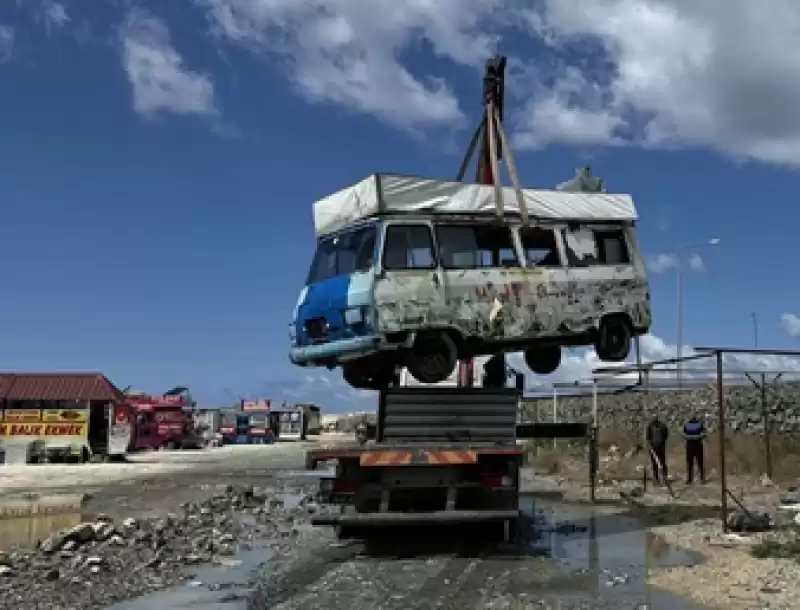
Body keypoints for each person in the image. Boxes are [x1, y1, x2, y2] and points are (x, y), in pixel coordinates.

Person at [683, 412, 707, 484]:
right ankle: (691, 479)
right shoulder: (687, 424)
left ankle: (701, 479)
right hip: (692, 445)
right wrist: (690, 437)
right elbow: (684, 434)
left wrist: (696, 437)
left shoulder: (698, 424)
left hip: (696, 445)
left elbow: (703, 434)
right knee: (691, 463)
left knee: (699, 463)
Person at [646, 414, 669, 483]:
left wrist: (662, 442)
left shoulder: (662, 425)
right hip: (653, 447)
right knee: (654, 463)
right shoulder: (650, 426)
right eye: (653, 418)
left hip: (661, 446)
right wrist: (650, 446)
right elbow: (648, 437)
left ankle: (664, 477)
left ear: (657, 418)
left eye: (655, 418)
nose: (654, 419)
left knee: (662, 462)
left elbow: (666, 435)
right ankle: (656, 478)